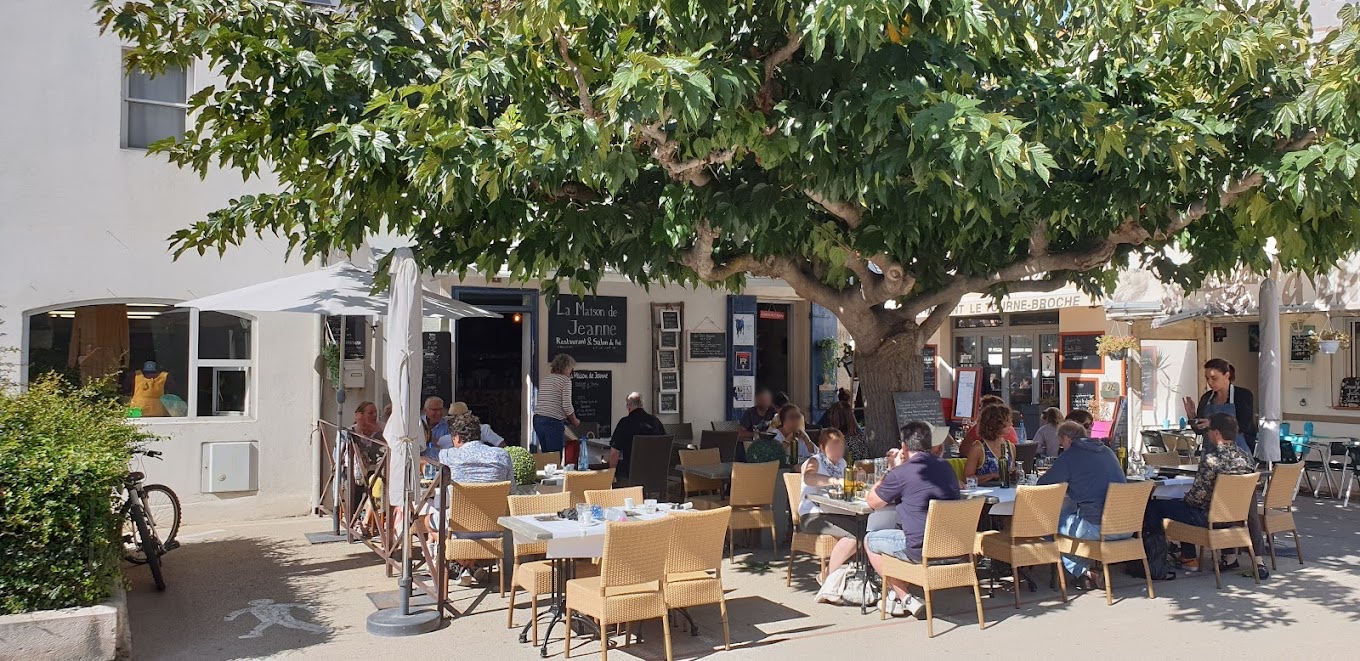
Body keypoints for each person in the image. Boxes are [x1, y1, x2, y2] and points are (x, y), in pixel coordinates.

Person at [1146, 414, 1269, 580]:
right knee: (1182, 506)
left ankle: (1162, 558)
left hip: (1208, 517)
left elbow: (1196, 498)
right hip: (1234, 517)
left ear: (1216, 433)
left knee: (1156, 506)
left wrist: (1186, 497)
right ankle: (1197, 556)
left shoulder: (1211, 460)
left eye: (1209, 431)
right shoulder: (1246, 457)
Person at [864, 421, 962, 619]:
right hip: (955, 546)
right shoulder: (947, 467)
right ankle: (896, 594)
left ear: (904, 447)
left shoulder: (901, 473)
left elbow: (872, 501)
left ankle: (905, 597)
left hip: (920, 549)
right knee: (902, 531)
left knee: (870, 540)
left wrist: (891, 469)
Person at [1037, 421, 1127, 588]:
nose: (1061, 448)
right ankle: (1085, 573)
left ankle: (1082, 571)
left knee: (1048, 525)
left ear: (1066, 438)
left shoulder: (1071, 455)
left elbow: (1043, 484)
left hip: (1098, 527)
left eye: (1061, 444)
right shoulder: (1107, 451)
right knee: (1071, 517)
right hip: (1127, 527)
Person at [432, 412, 514, 586]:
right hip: (495, 527)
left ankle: (462, 562)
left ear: (456, 438)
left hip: (459, 528)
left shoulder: (447, 456)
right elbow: (511, 492)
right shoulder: (502, 456)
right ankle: (471, 566)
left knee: (425, 522)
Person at [797, 429, 862, 603]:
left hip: (837, 511)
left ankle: (858, 577)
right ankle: (826, 577)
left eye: (840, 447)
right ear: (821, 447)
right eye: (833, 447)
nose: (837, 452)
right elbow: (809, 478)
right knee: (855, 535)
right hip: (812, 515)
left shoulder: (841, 464)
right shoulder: (815, 461)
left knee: (865, 528)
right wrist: (833, 481)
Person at [1183, 358, 1256, 454]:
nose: (1210, 382)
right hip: (1210, 455)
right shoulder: (1206, 397)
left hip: (1237, 455)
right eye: (1207, 378)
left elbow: (1244, 425)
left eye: (1214, 378)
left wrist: (1212, 423)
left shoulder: (1243, 395)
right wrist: (1191, 414)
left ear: (1227, 375)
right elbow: (1199, 431)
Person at [608, 392, 665, 481]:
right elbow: (663, 447)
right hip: (655, 474)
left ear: (628, 406)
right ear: (642, 405)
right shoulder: (655, 421)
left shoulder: (625, 423)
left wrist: (611, 475)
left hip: (630, 474)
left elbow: (614, 452)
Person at [533, 354, 580, 454]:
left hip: (538, 420)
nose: (571, 371)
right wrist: (575, 421)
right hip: (552, 421)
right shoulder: (565, 381)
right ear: (566, 367)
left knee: (546, 455)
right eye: (571, 368)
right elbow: (566, 405)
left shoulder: (545, 379)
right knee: (555, 457)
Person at [964, 404, 1017, 485]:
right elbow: (966, 478)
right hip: (984, 494)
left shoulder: (1011, 447)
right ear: (996, 423)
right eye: (1008, 421)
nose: (1011, 424)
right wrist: (992, 476)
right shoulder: (978, 448)